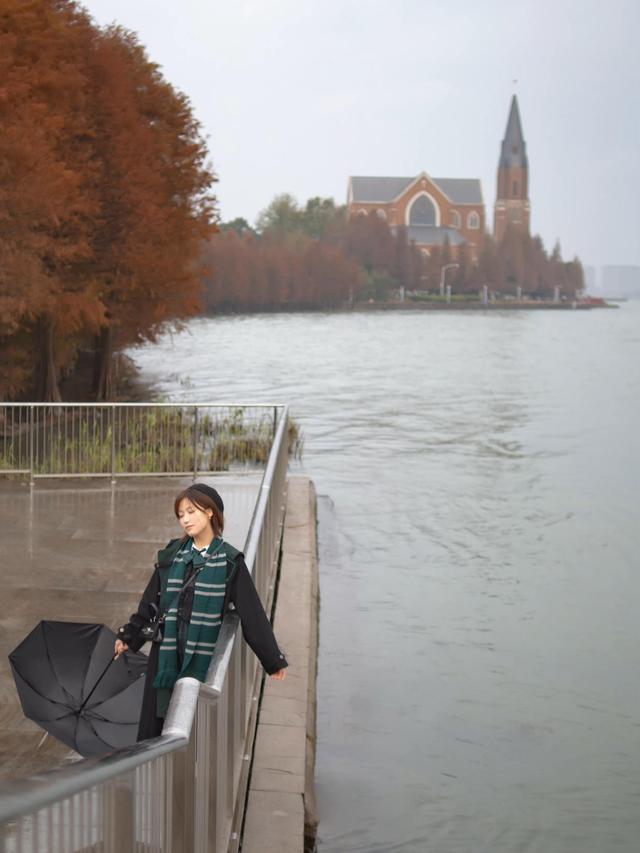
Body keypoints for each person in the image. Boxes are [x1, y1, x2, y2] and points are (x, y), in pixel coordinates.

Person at [115, 483, 287, 740]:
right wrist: (129, 637)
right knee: (154, 727)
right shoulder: (173, 553)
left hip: (198, 657)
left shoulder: (230, 561)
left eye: (191, 512)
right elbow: (152, 602)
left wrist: (272, 659)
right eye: (181, 514)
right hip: (164, 653)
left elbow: (252, 613)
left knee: (189, 726)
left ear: (209, 512)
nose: (185, 519)